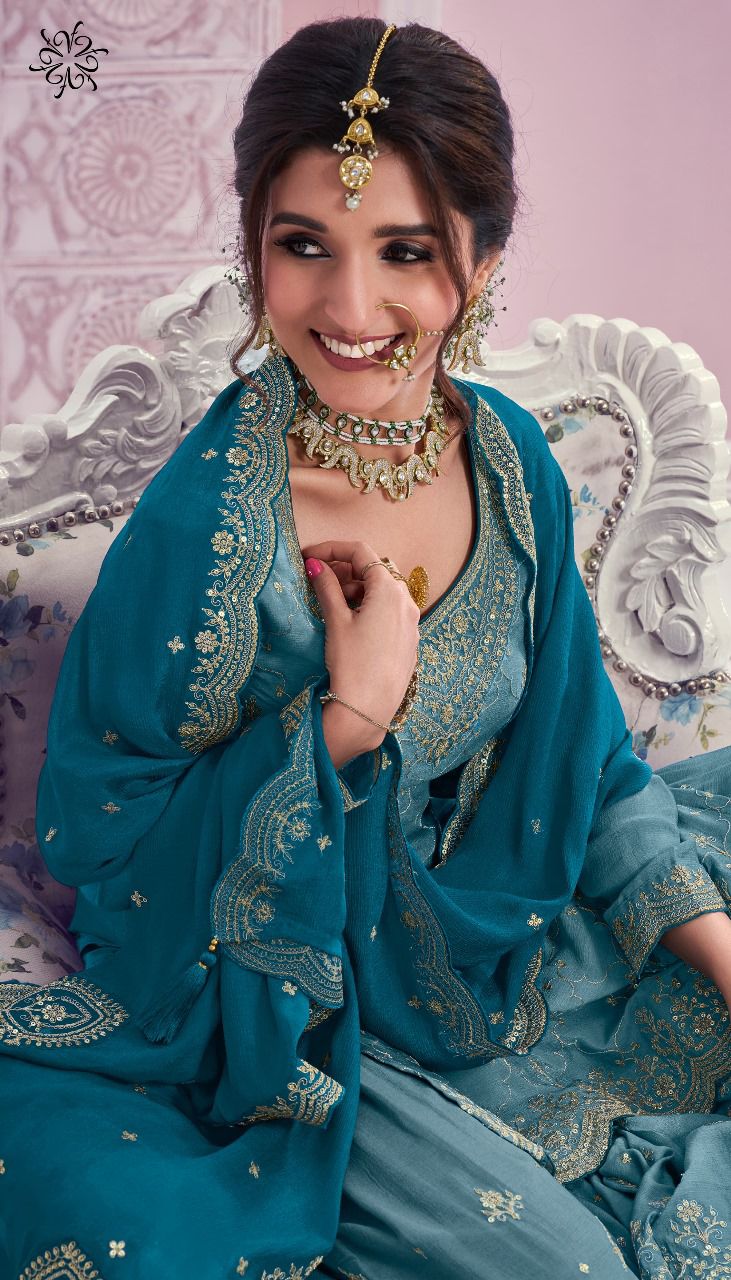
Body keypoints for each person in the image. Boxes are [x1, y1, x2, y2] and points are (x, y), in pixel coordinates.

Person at [1, 16, 730, 1279]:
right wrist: (346, 719)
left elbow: (592, 765)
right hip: (302, 996)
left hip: (505, 920)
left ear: (481, 258)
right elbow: (104, 841)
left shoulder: (506, 459)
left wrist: (717, 959)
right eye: (302, 246)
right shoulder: (208, 526)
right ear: (253, 247)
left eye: (405, 251)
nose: (348, 308)